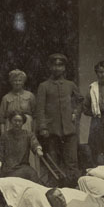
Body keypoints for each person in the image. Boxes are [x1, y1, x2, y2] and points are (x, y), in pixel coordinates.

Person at [34, 53, 82, 184]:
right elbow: (40, 109)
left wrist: (75, 113)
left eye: (60, 65)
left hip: (69, 129)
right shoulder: (44, 86)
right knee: (53, 160)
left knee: (72, 160)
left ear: (64, 68)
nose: (57, 68)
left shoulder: (70, 85)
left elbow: (79, 101)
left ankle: (73, 186)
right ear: (50, 67)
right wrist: (43, 127)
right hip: (51, 130)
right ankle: (54, 187)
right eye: (54, 65)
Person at [0, 112, 44, 181]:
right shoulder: (5, 136)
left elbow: (34, 143)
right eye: (15, 121)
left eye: (19, 121)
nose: (17, 123)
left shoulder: (28, 134)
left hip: (23, 166)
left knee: (33, 175)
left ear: (23, 122)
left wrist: (38, 149)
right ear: (11, 121)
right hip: (8, 168)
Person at [0, 69, 36, 134]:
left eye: (20, 80)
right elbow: (1, 118)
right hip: (10, 127)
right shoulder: (6, 98)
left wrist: (34, 133)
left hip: (27, 126)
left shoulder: (30, 96)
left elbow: (35, 116)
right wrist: (3, 134)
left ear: (23, 82)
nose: (17, 83)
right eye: (15, 81)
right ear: (11, 82)